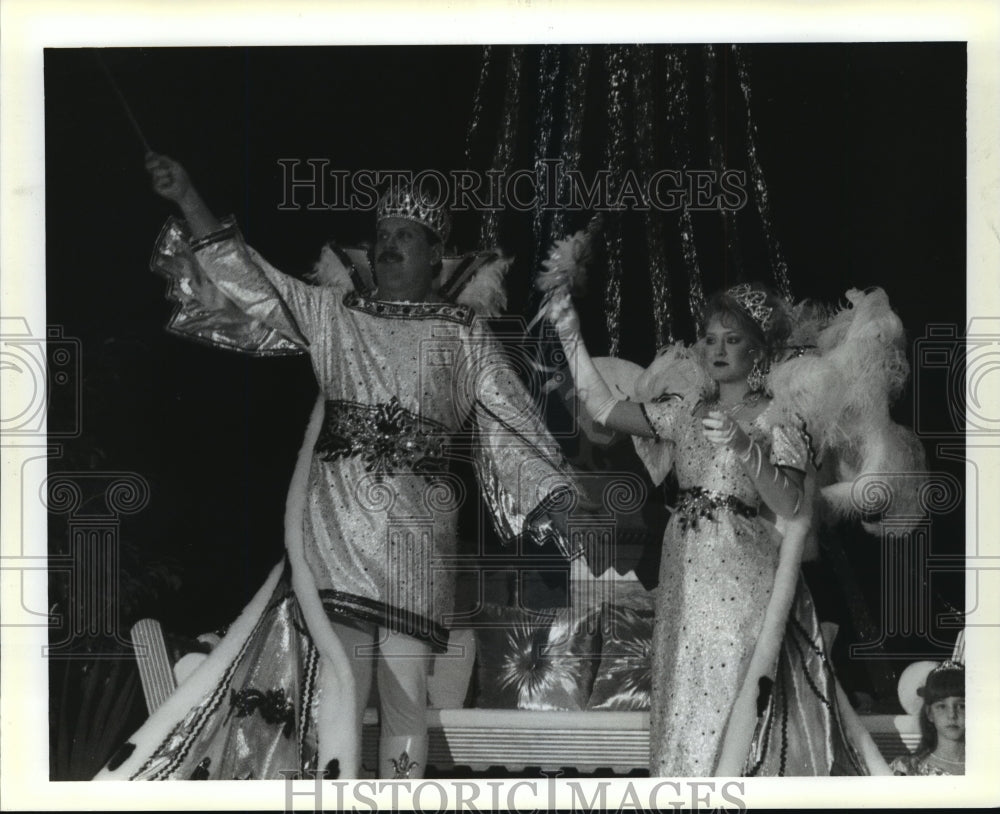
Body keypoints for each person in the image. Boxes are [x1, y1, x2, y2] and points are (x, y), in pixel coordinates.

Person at [95, 154, 579, 781]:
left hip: (416, 544)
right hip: (338, 534)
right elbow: (254, 280)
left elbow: (508, 417)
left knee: (406, 702)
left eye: (405, 234)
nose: (388, 245)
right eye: (382, 235)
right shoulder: (335, 315)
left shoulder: (463, 333)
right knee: (340, 697)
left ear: (436, 255)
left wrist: (555, 494)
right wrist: (188, 197)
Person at [548, 283, 888, 776]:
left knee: (733, 690)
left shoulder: (779, 416)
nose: (717, 350)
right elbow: (604, 408)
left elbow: (792, 508)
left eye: (732, 339)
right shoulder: (685, 410)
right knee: (682, 691)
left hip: (743, 572)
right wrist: (569, 334)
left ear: (759, 350)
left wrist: (745, 447)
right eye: (709, 339)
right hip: (684, 569)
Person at [891, 662, 965, 776]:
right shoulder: (909, 769)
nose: (952, 715)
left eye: (961, 706)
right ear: (930, 713)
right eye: (941, 706)